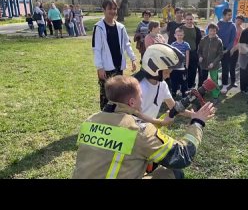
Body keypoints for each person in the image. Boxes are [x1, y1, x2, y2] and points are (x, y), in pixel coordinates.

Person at [72, 75, 215, 179]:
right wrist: (198, 122)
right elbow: (182, 156)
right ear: (132, 102)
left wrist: (161, 123)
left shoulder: (90, 120)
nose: (142, 99)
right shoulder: (139, 131)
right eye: (141, 96)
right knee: (174, 173)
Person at [92, 0, 137, 110]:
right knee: (106, 94)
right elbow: (96, 49)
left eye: (114, 9)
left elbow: (127, 44)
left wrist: (133, 58)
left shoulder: (121, 27)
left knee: (117, 93)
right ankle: (104, 116)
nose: (112, 11)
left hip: (118, 66)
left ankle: (115, 115)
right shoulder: (99, 27)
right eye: (110, 9)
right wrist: (100, 67)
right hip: (106, 68)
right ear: (104, 10)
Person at [198, 23, 223, 104]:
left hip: (214, 65)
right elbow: (199, 51)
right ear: (208, 31)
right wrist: (200, 57)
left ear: (216, 31)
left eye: (214, 31)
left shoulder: (219, 41)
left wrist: (214, 63)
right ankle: (201, 95)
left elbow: (220, 54)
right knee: (203, 79)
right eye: (211, 31)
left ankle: (215, 96)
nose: (212, 32)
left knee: (214, 80)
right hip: (204, 64)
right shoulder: (203, 40)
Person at [217, 8, 237, 94]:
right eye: (228, 14)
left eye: (230, 15)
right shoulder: (218, 24)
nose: (230, 16)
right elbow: (215, 36)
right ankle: (215, 85)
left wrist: (227, 49)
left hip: (226, 50)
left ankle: (224, 85)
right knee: (214, 67)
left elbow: (233, 40)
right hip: (217, 49)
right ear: (224, 15)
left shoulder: (233, 25)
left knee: (225, 68)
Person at [181, 13, 202, 89]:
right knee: (183, 70)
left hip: (193, 53)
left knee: (193, 71)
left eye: (191, 19)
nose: (189, 21)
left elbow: (199, 42)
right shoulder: (180, 29)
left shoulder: (197, 30)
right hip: (182, 53)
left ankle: (190, 86)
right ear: (184, 19)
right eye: (187, 19)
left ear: (193, 19)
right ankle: (183, 87)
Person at [170, 28, 190, 98]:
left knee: (184, 81)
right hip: (175, 67)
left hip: (183, 66)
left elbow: (187, 55)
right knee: (174, 80)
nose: (179, 36)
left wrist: (186, 66)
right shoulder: (173, 44)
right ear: (175, 35)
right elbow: (172, 55)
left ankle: (184, 93)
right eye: (178, 35)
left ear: (183, 35)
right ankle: (174, 92)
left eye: (181, 35)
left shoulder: (186, 44)